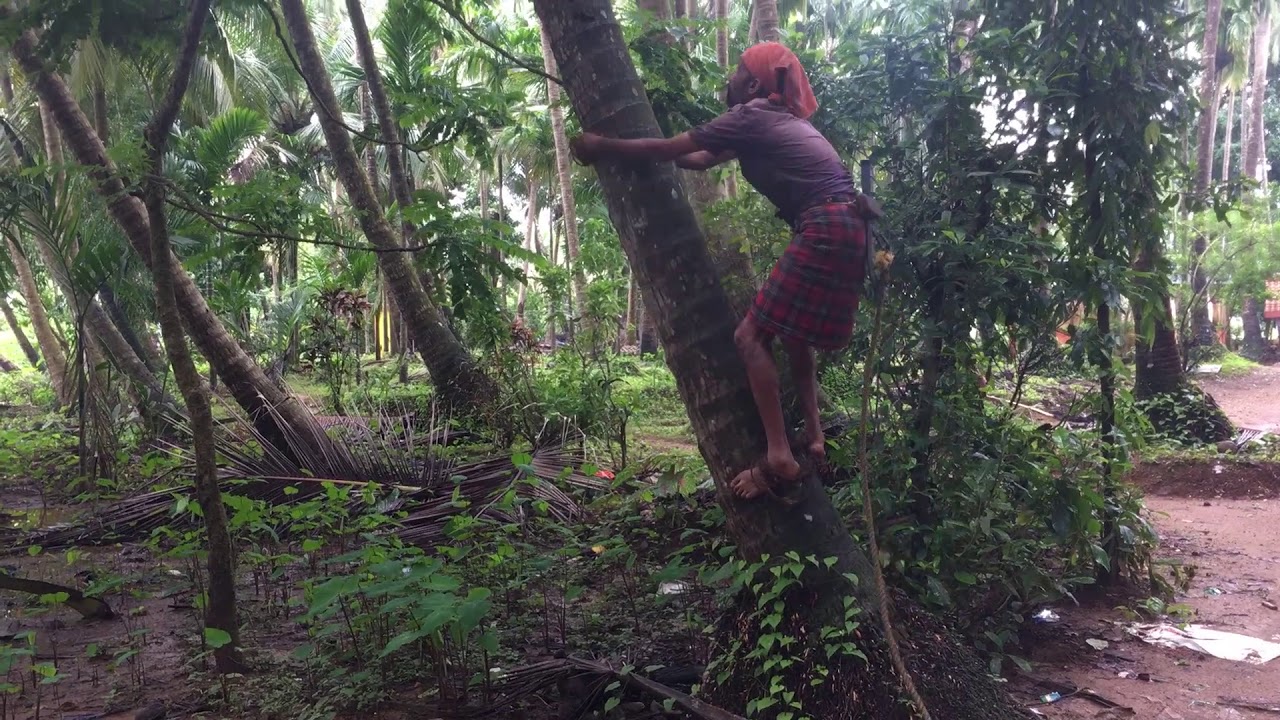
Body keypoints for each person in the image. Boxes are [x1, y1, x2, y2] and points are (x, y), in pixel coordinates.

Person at [570, 42, 874, 500]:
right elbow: (696, 157)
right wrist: (649, 146)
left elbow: (674, 147)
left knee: (748, 337)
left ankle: (777, 454)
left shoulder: (751, 115)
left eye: (737, 71)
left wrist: (603, 147)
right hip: (852, 228)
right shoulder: (772, 121)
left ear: (753, 83)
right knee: (794, 337)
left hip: (825, 224)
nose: (728, 79)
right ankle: (813, 436)